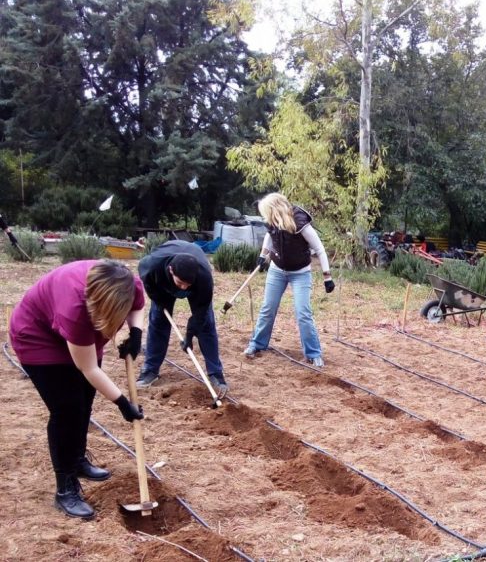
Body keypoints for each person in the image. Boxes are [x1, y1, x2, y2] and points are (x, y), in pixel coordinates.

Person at [9, 260, 146, 519]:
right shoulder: (74, 308)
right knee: (67, 410)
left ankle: (78, 459)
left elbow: (138, 306)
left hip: (82, 336)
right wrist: (122, 404)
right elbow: (89, 369)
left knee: (85, 398)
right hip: (38, 339)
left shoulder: (127, 283)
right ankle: (65, 488)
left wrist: (136, 332)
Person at [244, 193, 335, 367]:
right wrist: (263, 255)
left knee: (303, 313)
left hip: (300, 273)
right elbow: (270, 236)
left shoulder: (301, 223)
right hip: (277, 270)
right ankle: (257, 344)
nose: (265, 216)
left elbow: (320, 250)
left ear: (275, 210)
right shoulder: (272, 221)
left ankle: (313, 353)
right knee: (267, 308)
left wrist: (327, 277)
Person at [135, 240, 227, 395]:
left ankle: (216, 374)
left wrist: (189, 336)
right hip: (162, 285)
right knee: (159, 320)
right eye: (180, 283)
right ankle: (150, 370)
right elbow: (148, 283)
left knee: (206, 325)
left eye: (187, 284)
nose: (183, 287)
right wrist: (158, 299)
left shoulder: (203, 278)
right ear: (171, 270)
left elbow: (200, 314)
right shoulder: (152, 266)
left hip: (196, 285)